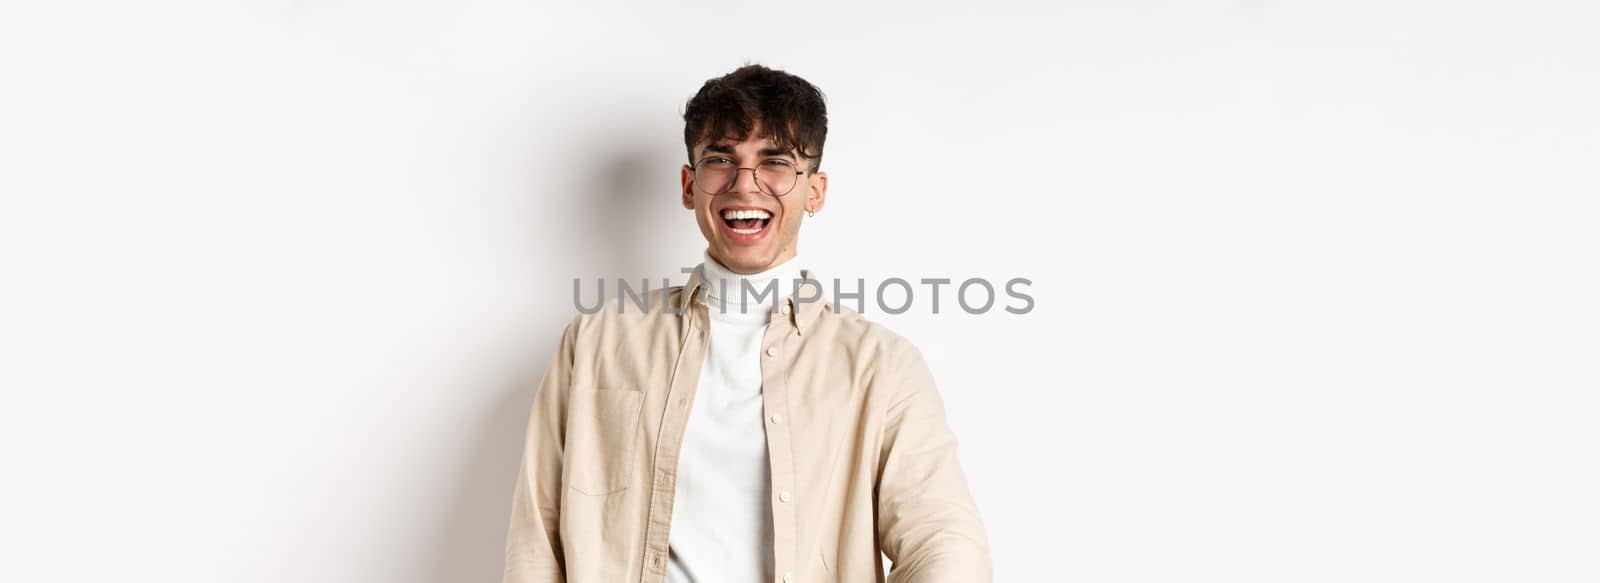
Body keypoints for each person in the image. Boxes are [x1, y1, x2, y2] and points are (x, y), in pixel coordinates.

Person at [502, 63, 992, 583]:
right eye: (721, 161)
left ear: (816, 191)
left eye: (775, 163)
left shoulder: (881, 365)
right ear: (690, 186)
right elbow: (537, 534)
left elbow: (943, 541)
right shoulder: (596, 342)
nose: (744, 186)